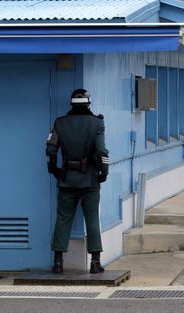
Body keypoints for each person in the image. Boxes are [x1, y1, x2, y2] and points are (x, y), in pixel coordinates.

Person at [46, 88, 109, 274]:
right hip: (89, 180)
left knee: (63, 219)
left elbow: (50, 150)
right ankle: (95, 263)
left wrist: (54, 171)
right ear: (88, 103)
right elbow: (101, 152)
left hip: (66, 179)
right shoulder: (97, 124)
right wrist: (103, 173)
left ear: (71, 104)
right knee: (92, 220)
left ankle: (58, 262)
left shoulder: (60, 123)